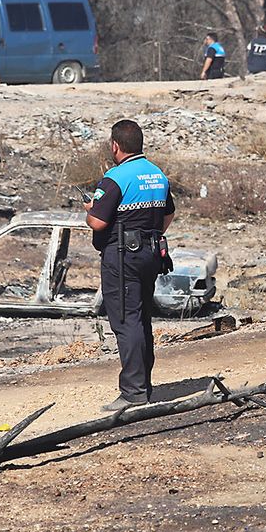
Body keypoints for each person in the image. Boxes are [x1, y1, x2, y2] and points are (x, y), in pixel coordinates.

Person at [85, 119, 175, 411]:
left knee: (125, 320)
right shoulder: (158, 175)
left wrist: (91, 210)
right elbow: (168, 215)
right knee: (141, 319)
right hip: (150, 252)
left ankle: (134, 392)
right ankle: (143, 384)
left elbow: (98, 221)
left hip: (122, 257)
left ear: (115, 146)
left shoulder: (115, 177)